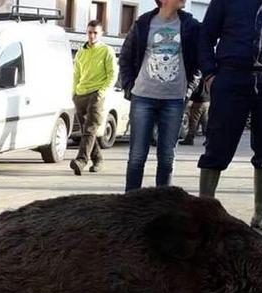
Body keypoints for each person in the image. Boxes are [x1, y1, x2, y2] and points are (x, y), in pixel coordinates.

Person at [197, 0, 262, 232]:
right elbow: (205, 36)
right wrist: (209, 74)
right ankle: (204, 213)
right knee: (218, 144)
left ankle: (261, 214)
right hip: (230, 77)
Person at [119, 0, 200, 191]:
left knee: (167, 159)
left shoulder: (190, 25)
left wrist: (188, 90)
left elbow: (198, 61)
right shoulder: (143, 23)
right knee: (137, 157)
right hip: (143, 97)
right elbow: (125, 57)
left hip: (174, 100)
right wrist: (130, 87)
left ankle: (163, 207)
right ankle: (130, 207)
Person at [69, 20, 116, 175]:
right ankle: (98, 159)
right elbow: (76, 74)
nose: (92, 35)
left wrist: (101, 93)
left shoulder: (106, 50)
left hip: (96, 95)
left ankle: (81, 161)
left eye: (95, 32)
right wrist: (74, 93)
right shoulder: (81, 52)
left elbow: (112, 75)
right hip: (80, 94)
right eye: (89, 32)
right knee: (87, 132)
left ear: (101, 33)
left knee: (90, 128)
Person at [180, 75, 209, 145]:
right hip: (207, 100)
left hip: (199, 101)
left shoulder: (198, 78)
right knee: (205, 121)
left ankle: (189, 138)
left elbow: (195, 89)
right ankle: (209, 139)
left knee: (194, 121)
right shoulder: (206, 76)